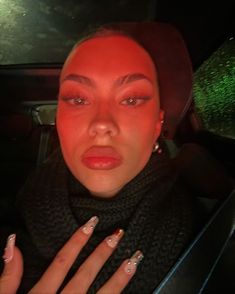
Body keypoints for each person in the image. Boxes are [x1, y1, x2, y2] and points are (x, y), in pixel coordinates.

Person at [0, 22, 195, 293]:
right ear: (59, 118)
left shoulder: (203, 243)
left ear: (157, 124)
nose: (102, 124)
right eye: (78, 99)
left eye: (132, 99)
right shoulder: (18, 209)